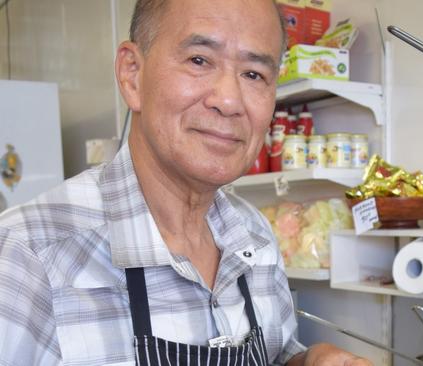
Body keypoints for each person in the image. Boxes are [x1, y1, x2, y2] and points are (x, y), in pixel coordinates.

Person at [0, 0, 372, 365]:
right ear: (132, 74)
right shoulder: (26, 255)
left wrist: (304, 361)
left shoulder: (254, 237)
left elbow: (274, 352)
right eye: (199, 60)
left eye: (254, 74)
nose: (229, 100)